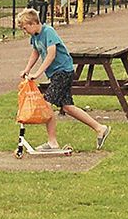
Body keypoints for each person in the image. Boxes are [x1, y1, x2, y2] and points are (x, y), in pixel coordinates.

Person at [16, 8, 111, 150]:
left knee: (47, 104)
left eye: (25, 28)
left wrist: (37, 73)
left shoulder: (48, 32)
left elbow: (51, 54)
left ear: (33, 23)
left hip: (63, 72)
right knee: (67, 107)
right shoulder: (35, 37)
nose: (25, 31)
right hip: (55, 74)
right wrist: (27, 69)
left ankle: (52, 142)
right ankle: (100, 128)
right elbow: (36, 52)